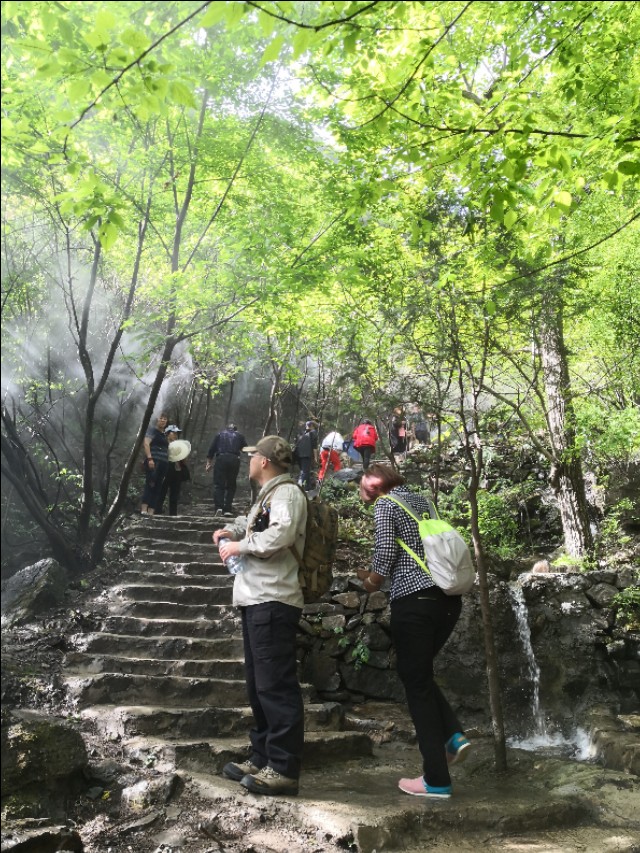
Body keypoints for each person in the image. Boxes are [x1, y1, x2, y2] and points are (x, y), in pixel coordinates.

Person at [356, 463, 471, 799]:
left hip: (414, 600)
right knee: (417, 675)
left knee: (415, 681)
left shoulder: (385, 505)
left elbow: (387, 554)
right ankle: (452, 734)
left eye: (363, 484)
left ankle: (436, 779)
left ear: (376, 483)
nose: (361, 491)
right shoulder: (423, 502)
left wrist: (372, 582)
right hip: (447, 600)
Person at [213, 435, 307, 797]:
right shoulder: (269, 496)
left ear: (265, 461)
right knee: (258, 684)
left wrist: (240, 545)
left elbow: (279, 535)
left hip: (274, 599)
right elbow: (254, 523)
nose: (249, 459)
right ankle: (262, 755)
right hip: (257, 600)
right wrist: (233, 531)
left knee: (275, 685)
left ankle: (283, 768)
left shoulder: (287, 494)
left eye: (253, 455)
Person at [205, 423, 247, 516]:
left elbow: (211, 450)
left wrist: (208, 463)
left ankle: (219, 508)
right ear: (235, 429)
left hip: (221, 458)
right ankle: (227, 509)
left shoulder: (219, 434)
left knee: (219, 484)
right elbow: (245, 449)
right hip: (234, 459)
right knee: (231, 485)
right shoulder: (239, 435)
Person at [140, 412, 169, 515]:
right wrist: (150, 458)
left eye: (165, 419)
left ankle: (151, 511)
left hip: (164, 463)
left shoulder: (164, 435)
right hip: (154, 461)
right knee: (150, 483)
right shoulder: (152, 430)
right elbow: (146, 443)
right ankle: (144, 509)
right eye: (161, 418)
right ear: (157, 419)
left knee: (158, 487)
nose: (163, 420)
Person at [158, 426, 191, 516]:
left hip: (177, 470)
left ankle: (173, 514)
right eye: (174, 433)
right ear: (168, 433)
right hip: (166, 469)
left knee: (175, 493)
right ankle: (158, 510)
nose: (176, 435)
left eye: (177, 433)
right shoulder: (163, 443)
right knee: (162, 491)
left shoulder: (179, 445)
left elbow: (183, 459)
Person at [294, 420, 318, 491]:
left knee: (304, 471)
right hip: (306, 455)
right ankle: (303, 487)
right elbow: (314, 447)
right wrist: (316, 458)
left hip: (298, 454)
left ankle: (307, 486)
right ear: (313, 426)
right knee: (305, 472)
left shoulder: (302, 433)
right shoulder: (313, 433)